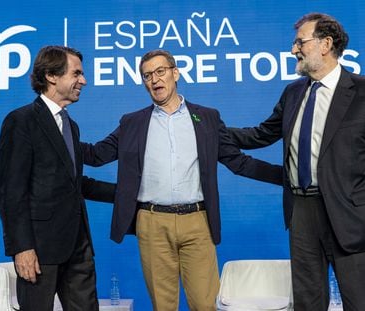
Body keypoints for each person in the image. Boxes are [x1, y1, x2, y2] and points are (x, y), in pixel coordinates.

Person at [81, 49, 282, 310]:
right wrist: (58, 136)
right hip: (152, 223)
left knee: (205, 305)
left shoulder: (207, 117)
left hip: (198, 222)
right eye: (147, 76)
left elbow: (239, 162)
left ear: (175, 73)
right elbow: (97, 155)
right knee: (163, 306)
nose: (154, 80)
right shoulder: (132, 123)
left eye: (160, 71)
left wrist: (288, 178)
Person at [227, 13, 365, 311]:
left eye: (300, 42)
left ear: (325, 44)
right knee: (307, 302)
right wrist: (210, 129)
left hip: (349, 216)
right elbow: (263, 134)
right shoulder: (293, 91)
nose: (293, 49)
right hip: (301, 210)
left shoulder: (362, 92)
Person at [0, 45, 115, 311]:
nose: (83, 81)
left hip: (79, 247)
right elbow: (11, 192)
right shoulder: (21, 121)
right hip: (39, 250)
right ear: (51, 76)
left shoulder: (70, 126)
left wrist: (128, 193)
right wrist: (22, 248)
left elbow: (74, 184)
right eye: (77, 73)